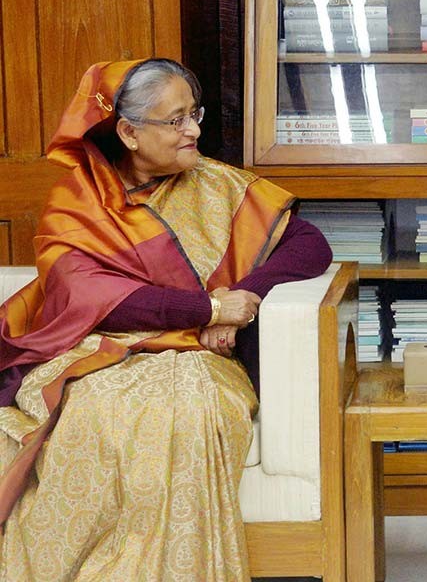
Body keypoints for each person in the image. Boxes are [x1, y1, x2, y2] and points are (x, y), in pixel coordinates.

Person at [0, 59, 332, 579]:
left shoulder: (216, 184)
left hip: (201, 357)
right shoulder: (76, 204)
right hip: (96, 354)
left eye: (193, 113)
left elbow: (310, 245)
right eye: (175, 120)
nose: (194, 130)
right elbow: (93, 297)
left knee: (189, 407)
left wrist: (244, 295)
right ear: (129, 132)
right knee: (97, 419)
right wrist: (209, 308)